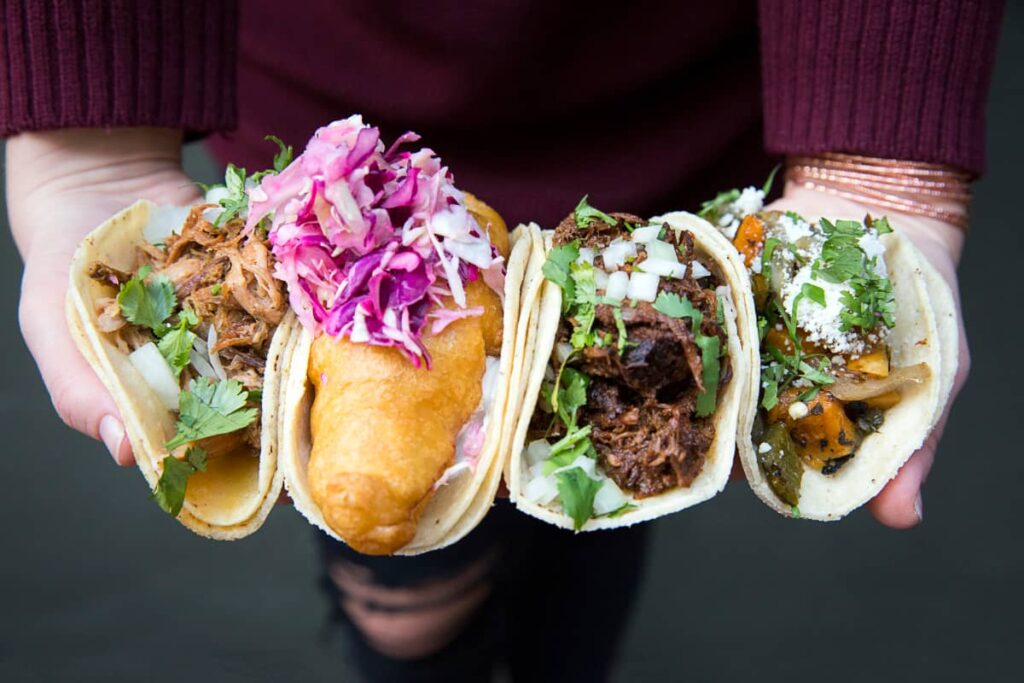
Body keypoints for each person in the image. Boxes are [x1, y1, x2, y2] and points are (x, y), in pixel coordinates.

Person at [2, 1, 999, 679]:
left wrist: (882, 163)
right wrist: (90, 137)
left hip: (651, 134)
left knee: (599, 497)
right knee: (406, 599)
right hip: (327, 142)